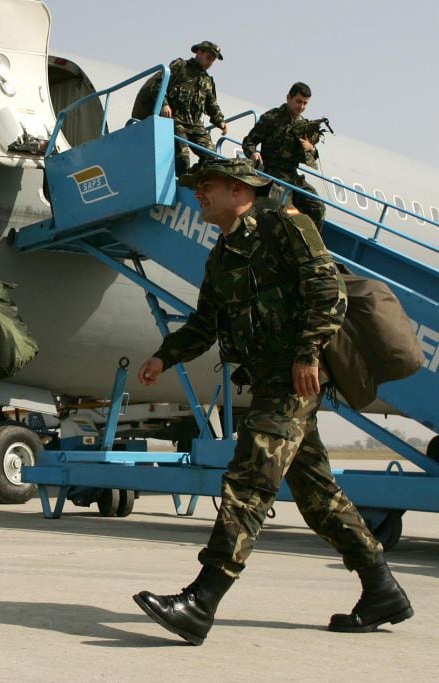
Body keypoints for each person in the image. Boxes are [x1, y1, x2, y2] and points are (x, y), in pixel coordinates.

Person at [131, 158, 413, 645]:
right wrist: (164, 356)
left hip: (294, 382)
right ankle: (381, 587)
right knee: (318, 496)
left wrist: (307, 354)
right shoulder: (221, 256)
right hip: (269, 382)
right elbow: (205, 324)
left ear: (240, 189)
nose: (198, 194)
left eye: (207, 186)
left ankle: (203, 599)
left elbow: (328, 291)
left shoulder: (286, 225)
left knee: (249, 480)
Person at [134, 40, 228, 175]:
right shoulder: (180, 67)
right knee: (183, 158)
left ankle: (196, 178)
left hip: (195, 125)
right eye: (208, 57)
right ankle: (181, 180)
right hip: (175, 120)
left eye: (212, 60)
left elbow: (211, 104)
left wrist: (220, 121)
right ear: (199, 53)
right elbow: (157, 85)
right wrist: (164, 104)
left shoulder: (207, 81)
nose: (209, 62)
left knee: (213, 158)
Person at [242, 82, 327, 230]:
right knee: (281, 208)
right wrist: (253, 153)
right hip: (271, 172)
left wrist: (311, 149)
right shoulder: (271, 118)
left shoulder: (304, 126)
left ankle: (309, 246)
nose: (301, 107)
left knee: (318, 207)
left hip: (292, 176)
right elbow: (249, 141)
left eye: (305, 104)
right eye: (298, 101)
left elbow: (313, 157)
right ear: (289, 98)